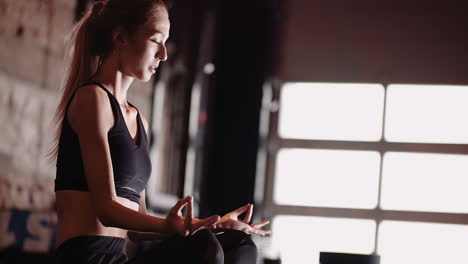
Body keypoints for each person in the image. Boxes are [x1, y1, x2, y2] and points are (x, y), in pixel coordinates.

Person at [51, 0, 271, 263]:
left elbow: (136, 230)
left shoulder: (138, 120)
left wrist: (210, 224)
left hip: (119, 259)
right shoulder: (92, 99)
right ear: (121, 37)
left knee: (239, 244)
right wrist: (178, 227)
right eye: (156, 40)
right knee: (205, 249)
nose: (164, 54)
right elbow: (106, 209)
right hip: (85, 258)